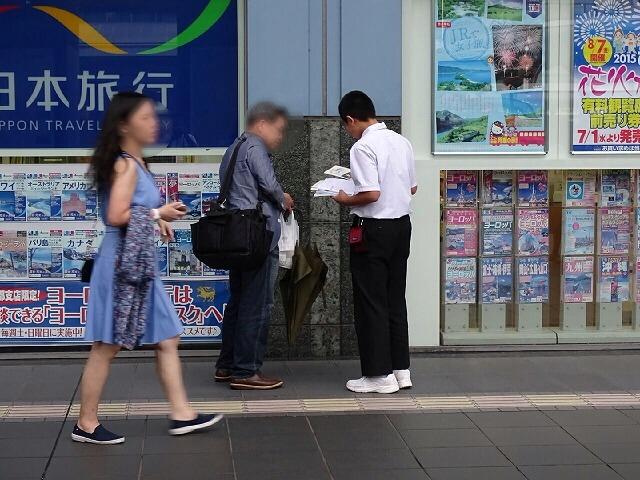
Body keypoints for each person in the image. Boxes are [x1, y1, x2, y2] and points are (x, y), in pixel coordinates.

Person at [75, 92, 222, 445]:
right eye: (145, 117)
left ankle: (181, 413)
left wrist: (158, 219)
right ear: (124, 125)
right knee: (107, 345)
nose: (154, 123)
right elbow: (116, 216)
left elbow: (131, 210)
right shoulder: (126, 165)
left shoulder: (135, 162)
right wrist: (158, 213)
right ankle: (86, 423)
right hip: (123, 265)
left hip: (137, 263)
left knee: (167, 337)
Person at [333, 91, 417, 394]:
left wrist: (344, 198)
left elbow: (371, 194)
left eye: (346, 126)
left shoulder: (362, 146)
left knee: (371, 301)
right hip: (401, 227)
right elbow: (413, 187)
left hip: (373, 230)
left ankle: (378, 375)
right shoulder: (401, 141)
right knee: (395, 299)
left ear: (351, 119)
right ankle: (400, 370)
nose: (348, 131)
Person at [214, 102, 294, 390]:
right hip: (258, 235)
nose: (280, 137)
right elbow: (269, 185)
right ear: (261, 124)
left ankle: (226, 365)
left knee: (238, 301)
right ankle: (246, 370)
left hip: (237, 235)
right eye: (278, 130)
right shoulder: (256, 148)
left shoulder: (234, 148)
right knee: (257, 304)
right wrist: (284, 199)